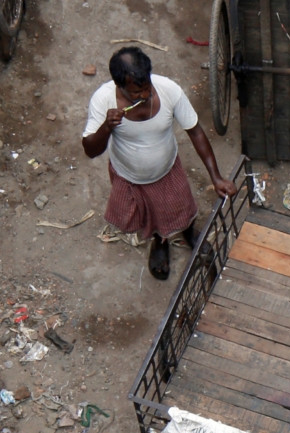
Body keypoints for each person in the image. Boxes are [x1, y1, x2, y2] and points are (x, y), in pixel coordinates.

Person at [80, 46, 238, 280]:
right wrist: (106, 127)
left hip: (167, 171)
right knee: (149, 216)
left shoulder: (168, 91)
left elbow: (195, 131)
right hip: (128, 176)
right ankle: (159, 242)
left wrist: (216, 177)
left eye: (147, 88)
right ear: (119, 85)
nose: (144, 96)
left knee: (181, 207)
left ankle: (189, 233)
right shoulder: (103, 100)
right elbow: (90, 150)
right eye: (136, 92)